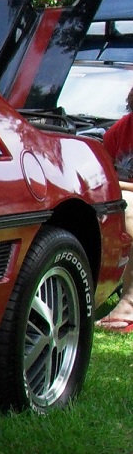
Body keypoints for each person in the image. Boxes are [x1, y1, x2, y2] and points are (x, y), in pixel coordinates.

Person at [97, 86, 133, 330]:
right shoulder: (123, 128)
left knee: (127, 214)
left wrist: (118, 187)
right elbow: (102, 172)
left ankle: (129, 306)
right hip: (120, 195)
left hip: (125, 198)